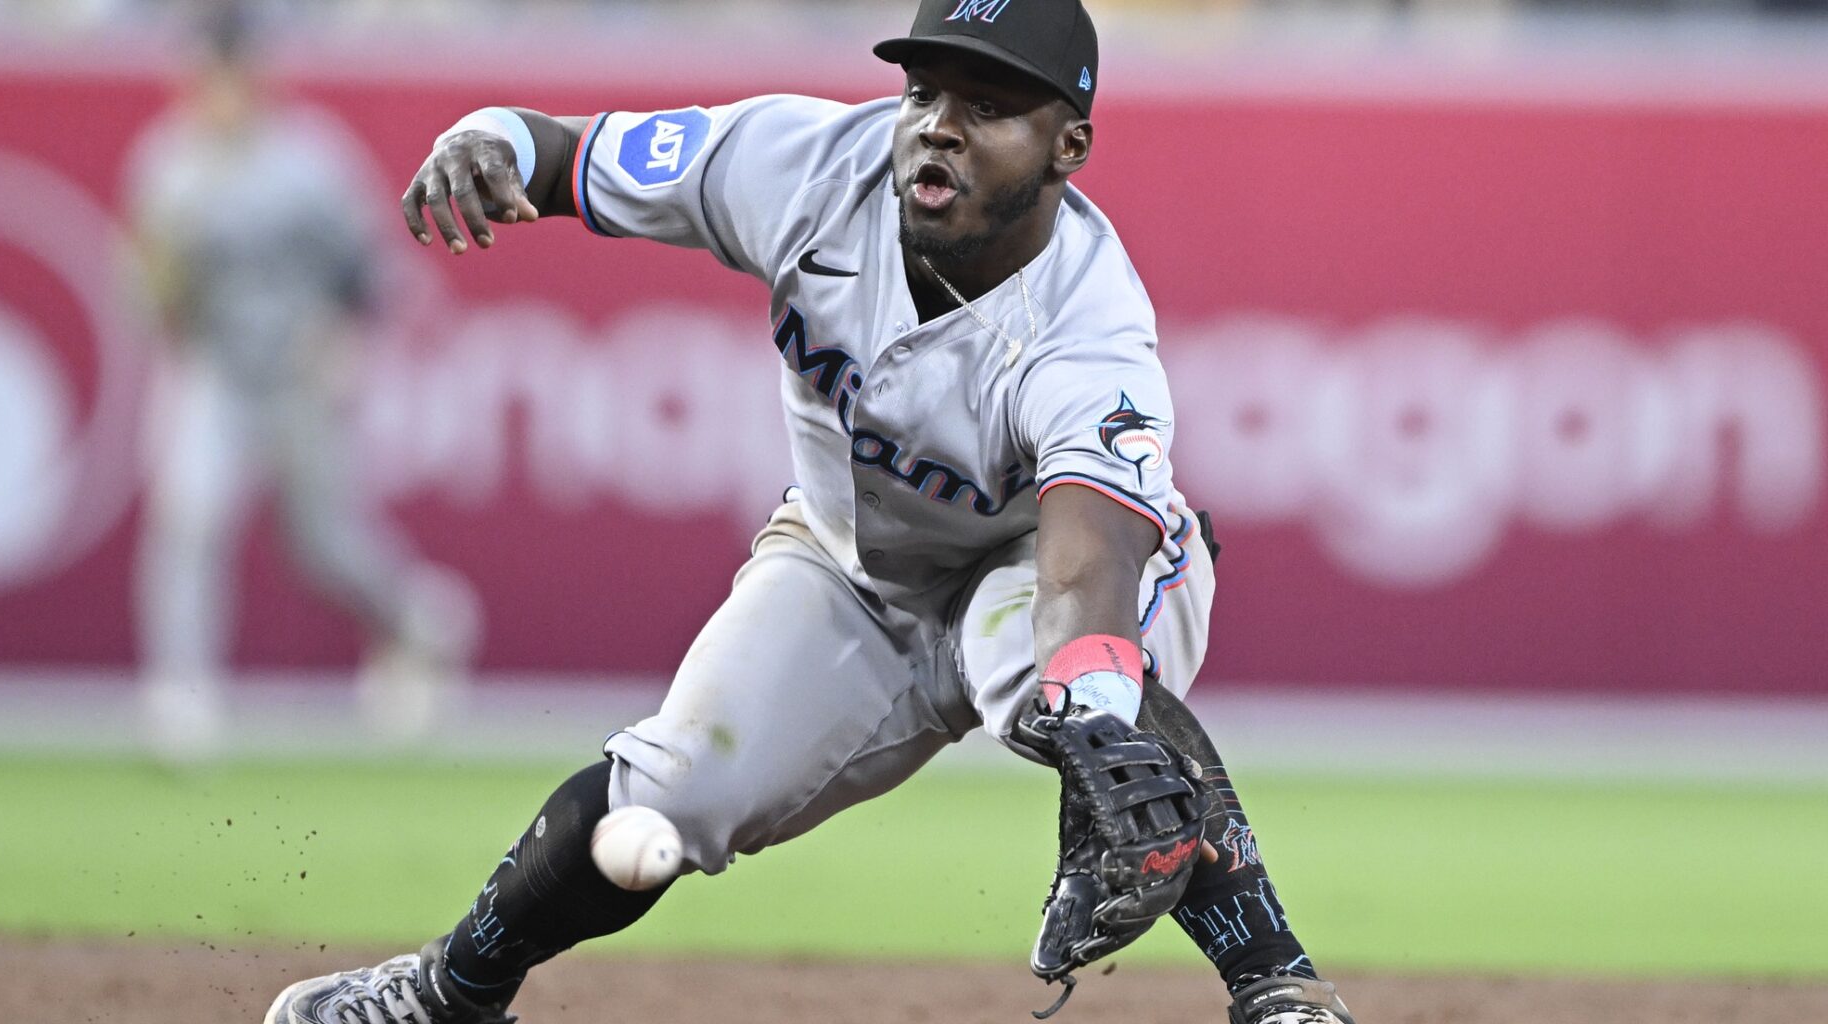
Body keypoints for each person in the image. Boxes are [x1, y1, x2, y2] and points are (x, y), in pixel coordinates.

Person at [264, 1, 1355, 1021]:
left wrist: (1094, 710)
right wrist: (490, 135)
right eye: (926, 93)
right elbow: (563, 155)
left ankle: (1281, 987)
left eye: (986, 108)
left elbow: (1086, 563)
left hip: (1038, 566)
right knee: (673, 785)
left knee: (1074, 699)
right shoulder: (803, 164)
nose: (938, 129)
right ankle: (441, 995)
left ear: (1068, 147)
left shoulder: (1090, 328)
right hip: (846, 566)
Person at [126, 3, 477, 761]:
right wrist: (157, 293)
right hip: (217, 368)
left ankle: (419, 622)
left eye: (230, 74)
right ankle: (181, 703)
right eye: (205, 75)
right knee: (188, 516)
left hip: (297, 371)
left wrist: (344, 337)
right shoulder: (168, 164)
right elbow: (159, 296)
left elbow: (374, 269)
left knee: (324, 544)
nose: (216, 90)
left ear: (256, 77)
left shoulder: (309, 160)